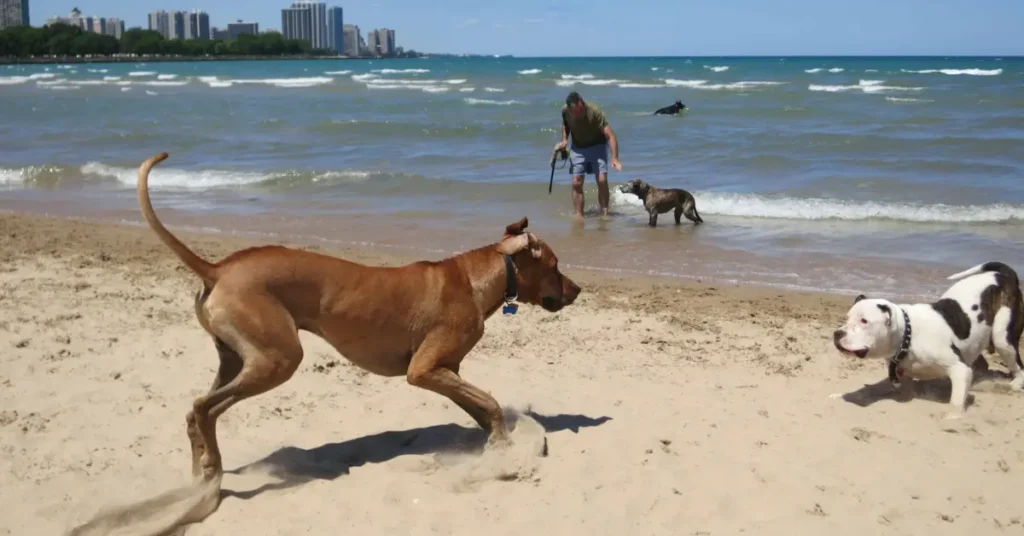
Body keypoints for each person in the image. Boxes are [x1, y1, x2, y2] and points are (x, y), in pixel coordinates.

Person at [556, 91, 621, 218]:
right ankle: (578, 216)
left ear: (583, 103)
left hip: (598, 145)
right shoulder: (565, 111)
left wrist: (615, 158)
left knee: (602, 180)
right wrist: (564, 139)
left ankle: (604, 214)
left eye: (581, 109)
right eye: (576, 112)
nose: (579, 113)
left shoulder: (595, 112)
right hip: (578, 147)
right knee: (576, 182)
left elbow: (610, 136)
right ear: (569, 109)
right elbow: (566, 124)